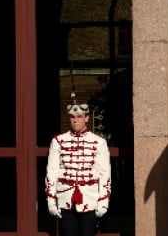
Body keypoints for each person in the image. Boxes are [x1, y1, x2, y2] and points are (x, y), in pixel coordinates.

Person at [45, 99, 111, 236]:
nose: (75, 120)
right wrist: (51, 200)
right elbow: (51, 172)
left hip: (90, 200)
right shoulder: (58, 141)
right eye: (72, 117)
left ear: (86, 118)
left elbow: (104, 174)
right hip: (65, 200)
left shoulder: (99, 142)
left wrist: (103, 201)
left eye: (79, 117)